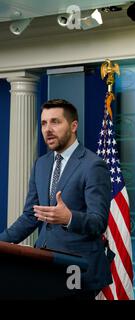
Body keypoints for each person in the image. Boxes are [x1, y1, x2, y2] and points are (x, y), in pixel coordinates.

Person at [0, 99, 112, 299]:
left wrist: (69, 218)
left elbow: (98, 222)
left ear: (73, 126)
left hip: (78, 268)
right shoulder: (41, 164)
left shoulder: (94, 165)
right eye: (44, 123)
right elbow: (30, 216)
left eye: (55, 122)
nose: (48, 129)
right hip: (44, 264)